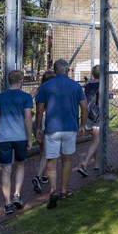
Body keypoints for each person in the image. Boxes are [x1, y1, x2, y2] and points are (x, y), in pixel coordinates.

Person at [35, 59, 87, 209]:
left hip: (52, 128)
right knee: (67, 160)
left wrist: (38, 127)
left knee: (51, 160)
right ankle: (64, 191)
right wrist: (82, 125)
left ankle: (53, 190)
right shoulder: (76, 86)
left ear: (55, 70)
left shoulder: (46, 86)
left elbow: (39, 109)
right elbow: (84, 107)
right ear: (67, 69)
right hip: (70, 127)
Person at [0, 70, 33, 215]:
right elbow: (28, 119)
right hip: (20, 136)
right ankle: (17, 194)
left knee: (6, 169)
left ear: (9, 80)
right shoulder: (26, 97)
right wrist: (29, 138)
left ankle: (8, 203)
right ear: (21, 79)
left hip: (4, 137)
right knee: (20, 165)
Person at [31, 70, 55, 193]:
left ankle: (43, 174)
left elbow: (28, 99)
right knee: (47, 150)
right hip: (46, 120)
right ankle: (41, 175)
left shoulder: (37, 89)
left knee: (43, 149)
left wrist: (30, 112)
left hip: (37, 121)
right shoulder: (51, 90)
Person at [78, 65, 100, 177]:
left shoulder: (88, 85)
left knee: (95, 140)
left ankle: (97, 164)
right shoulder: (102, 85)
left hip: (88, 114)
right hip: (97, 115)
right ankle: (85, 163)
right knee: (96, 141)